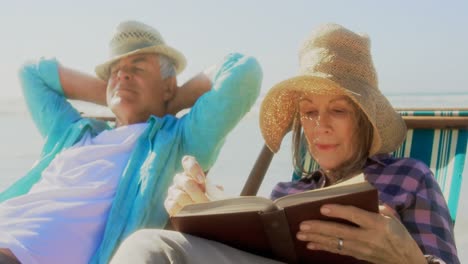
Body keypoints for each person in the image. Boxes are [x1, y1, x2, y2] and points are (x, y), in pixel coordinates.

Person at [110, 23, 459, 264]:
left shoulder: (408, 178)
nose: (319, 125)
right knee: (150, 245)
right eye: (308, 112)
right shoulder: (284, 195)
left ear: (364, 118)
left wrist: (409, 258)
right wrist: (204, 213)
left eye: (337, 109)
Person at [0, 20, 262, 264]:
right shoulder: (71, 132)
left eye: (137, 67)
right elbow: (30, 73)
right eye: (114, 71)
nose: (123, 75)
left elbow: (243, 71)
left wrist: (170, 101)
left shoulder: (177, 141)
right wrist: (116, 92)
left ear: (168, 86)